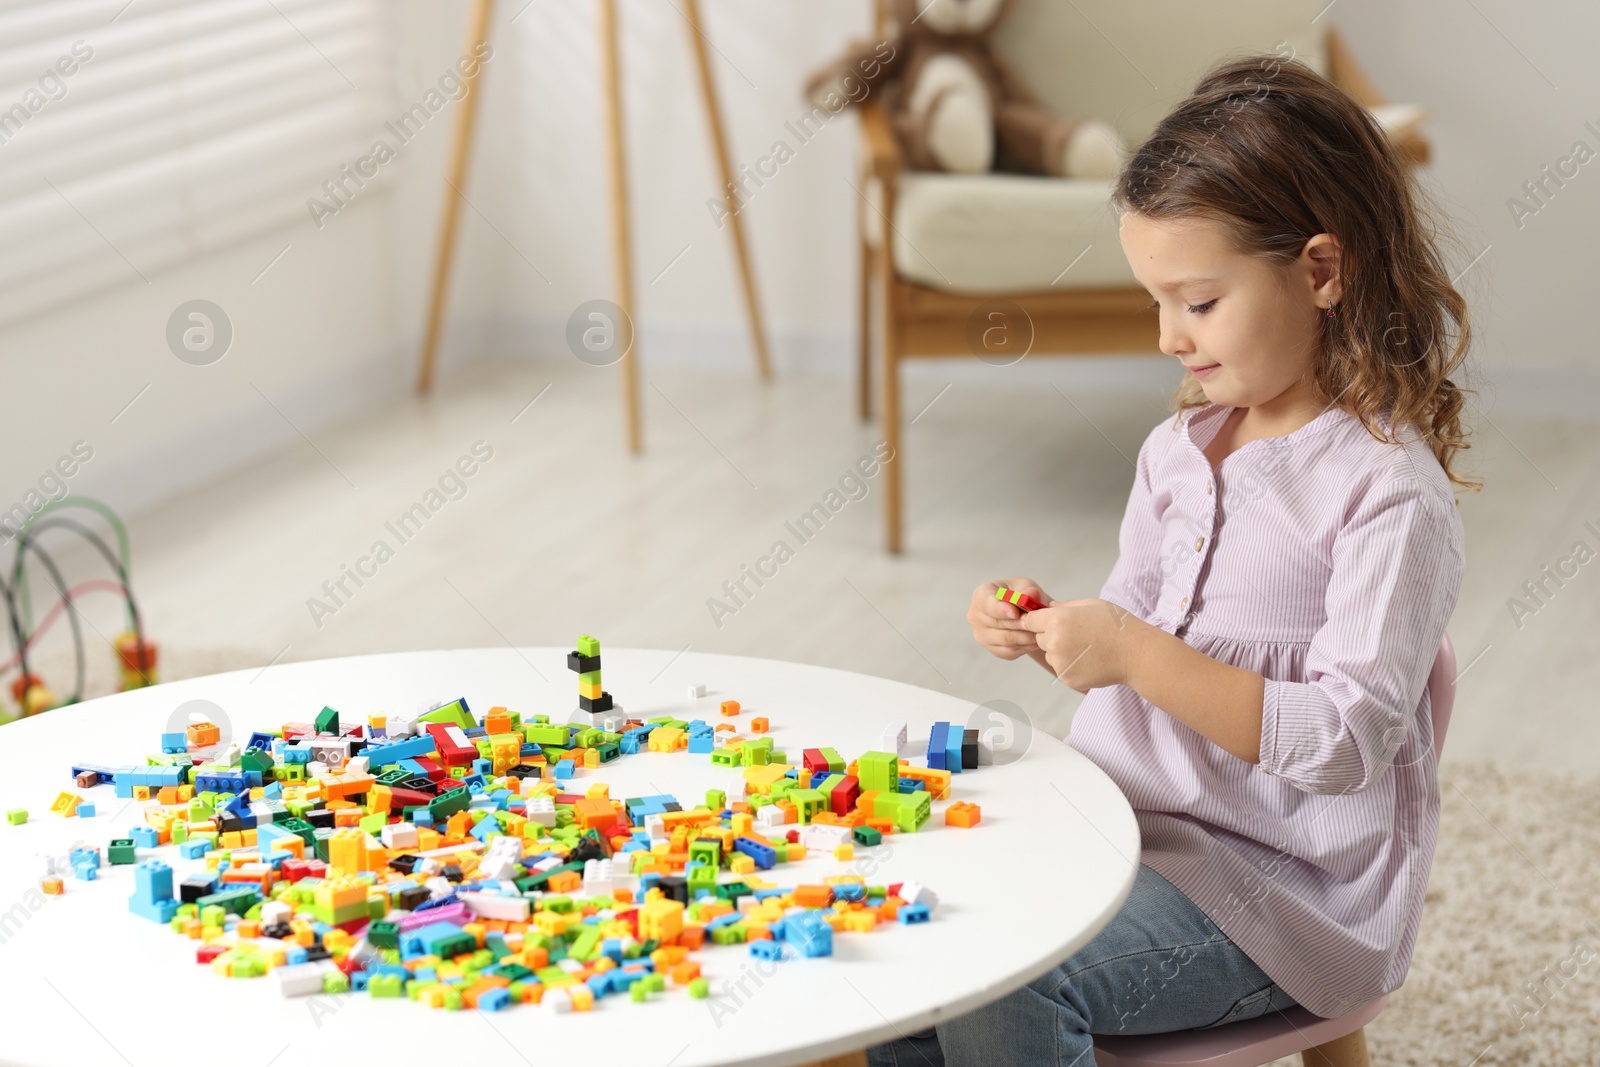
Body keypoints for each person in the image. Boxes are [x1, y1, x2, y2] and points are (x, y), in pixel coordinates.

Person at [867, 51, 1479, 1067]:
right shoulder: (1178, 451)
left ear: (1321, 272)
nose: (1166, 336)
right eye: (1155, 301)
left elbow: (1340, 738)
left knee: (1014, 970)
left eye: (1197, 302)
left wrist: (1129, 650)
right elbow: (1130, 621)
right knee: (921, 944)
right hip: (1124, 829)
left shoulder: (1385, 495)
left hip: (1281, 896)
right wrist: (1047, 628)